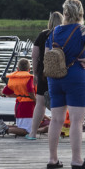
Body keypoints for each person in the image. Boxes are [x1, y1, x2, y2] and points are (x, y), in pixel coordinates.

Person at [46, 0, 85, 169]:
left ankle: (53, 159)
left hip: (55, 79)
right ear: (80, 13)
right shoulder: (82, 30)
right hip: (76, 78)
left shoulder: (55, 31)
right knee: (76, 121)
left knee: (55, 120)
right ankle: (77, 160)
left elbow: (48, 54)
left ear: (64, 13)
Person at [29, 11, 63, 140]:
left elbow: (35, 55)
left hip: (44, 72)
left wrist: (35, 73)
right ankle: (57, 132)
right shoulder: (63, 35)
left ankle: (32, 133)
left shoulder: (43, 35)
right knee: (59, 103)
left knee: (40, 103)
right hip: (60, 72)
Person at [0, 58, 35, 137]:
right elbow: (30, 90)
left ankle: (3, 126)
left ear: (17, 69)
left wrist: (19, 95)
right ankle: (5, 129)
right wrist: (36, 100)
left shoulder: (13, 79)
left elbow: (5, 92)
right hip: (28, 106)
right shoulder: (29, 78)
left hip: (18, 105)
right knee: (27, 131)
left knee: (21, 127)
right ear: (29, 69)